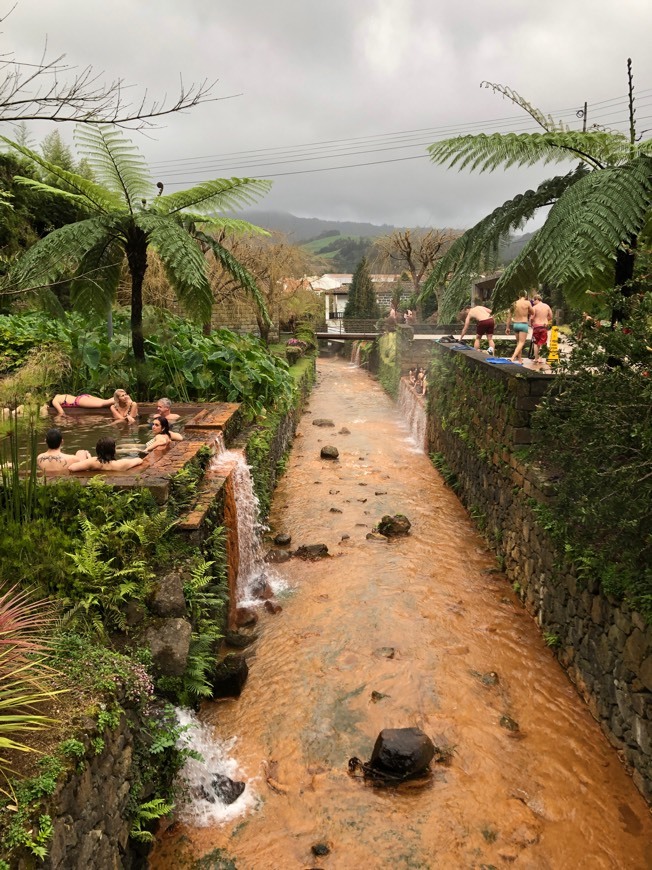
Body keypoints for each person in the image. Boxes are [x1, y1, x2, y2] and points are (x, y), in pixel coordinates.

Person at [68, 436, 144, 472]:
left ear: (97, 449)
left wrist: (87, 459)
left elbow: (71, 468)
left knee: (80, 452)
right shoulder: (121, 463)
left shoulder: (94, 462)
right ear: (113, 450)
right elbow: (139, 460)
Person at [506, 291, 534, 363]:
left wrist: (507, 327)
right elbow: (532, 312)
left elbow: (509, 316)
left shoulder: (514, 303)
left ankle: (520, 359)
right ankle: (513, 357)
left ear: (518, 295)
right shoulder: (527, 302)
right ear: (525, 295)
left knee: (518, 343)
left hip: (515, 324)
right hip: (523, 324)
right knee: (521, 343)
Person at [530, 293, 553, 364]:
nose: (533, 303)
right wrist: (546, 320)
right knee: (543, 343)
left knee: (535, 343)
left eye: (534, 301)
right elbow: (551, 316)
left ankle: (536, 358)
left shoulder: (534, 308)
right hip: (544, 326)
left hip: (536, 326)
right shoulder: (547, 306)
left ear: (537, 299)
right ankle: (540, 358)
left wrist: (531, 324)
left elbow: (531, 318)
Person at [49, 393, 115, 416]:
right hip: (83, 397)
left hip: (79, 401)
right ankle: (120, 397)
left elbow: (61, 413)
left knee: (103, 404)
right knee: (106, 401)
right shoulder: (58, 395)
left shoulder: (54, 401)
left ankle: (120, 399)